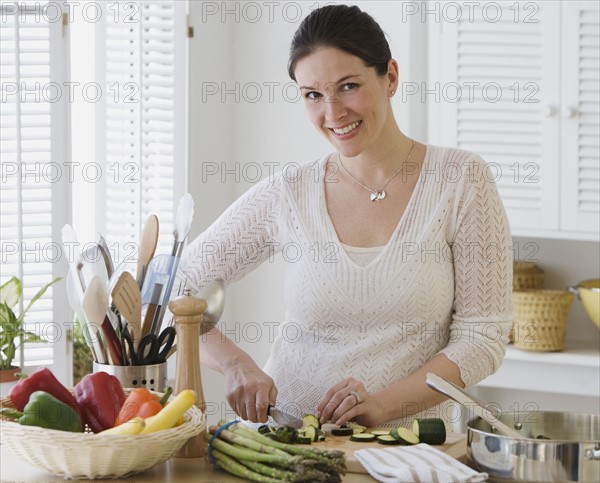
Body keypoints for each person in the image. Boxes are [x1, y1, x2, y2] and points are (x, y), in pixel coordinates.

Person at [177, 4, 513, 429]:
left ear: (389, 77)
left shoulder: (462, 181)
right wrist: (234, 363)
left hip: (409, 453)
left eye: (348, 86)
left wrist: (383, 405)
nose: (333, 114)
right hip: (287, 442)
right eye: (313, 95)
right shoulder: (290, 192)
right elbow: (175, 287)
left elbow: (482, 339)